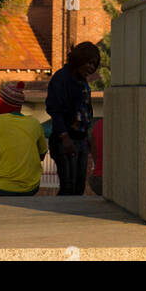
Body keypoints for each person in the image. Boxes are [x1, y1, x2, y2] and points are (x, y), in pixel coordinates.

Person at [46, 41, 100, 196]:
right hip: (65, 140)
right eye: (89, 63)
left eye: (94, 65)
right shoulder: (62, 79)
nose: (91, 68)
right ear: (79, 59)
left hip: (81, 139)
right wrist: (65, 137)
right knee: (68, 186)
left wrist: (87, 135)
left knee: (79, 186)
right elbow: (54, 110)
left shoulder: (82, 81)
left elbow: (84, 110)